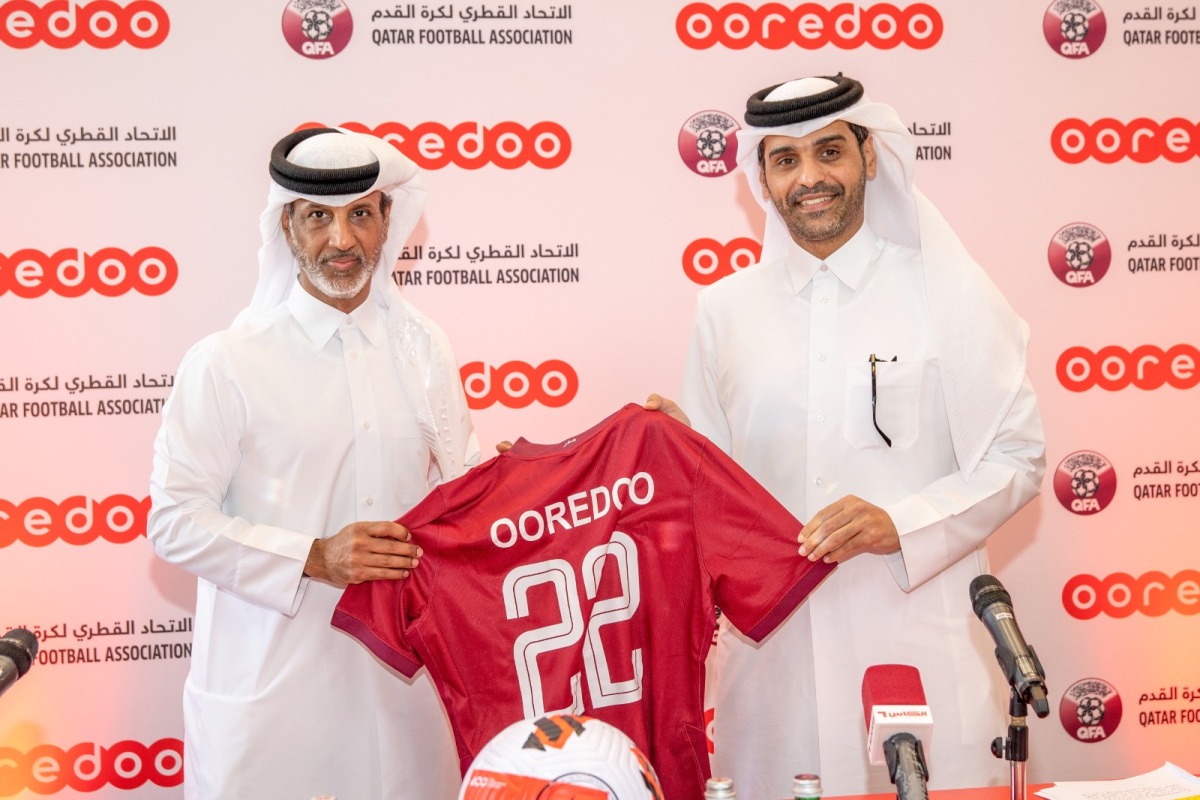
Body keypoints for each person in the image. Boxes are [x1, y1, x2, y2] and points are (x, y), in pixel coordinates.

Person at [677, 74, 1046, 797]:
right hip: (772, 668)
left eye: (829, 152)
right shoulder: (723, 312)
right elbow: (707, 486)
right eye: (786, 160)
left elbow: (1019, 457)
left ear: (869, 157)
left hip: (916, 647)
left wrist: (899, 524)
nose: (810, 177)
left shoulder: (947, 290)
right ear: (764, 177)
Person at [148, 127, 479, 800]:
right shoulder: (227, 363)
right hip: (275, 698)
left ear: (388, 219)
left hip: (405, 693)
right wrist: (314, 556)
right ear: (287, 227)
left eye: (361, 213)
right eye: (318, 218)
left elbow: (463, 493)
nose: (342, 241)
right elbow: (174, 521)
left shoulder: (424, 348)